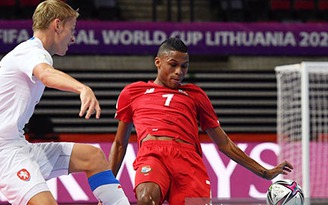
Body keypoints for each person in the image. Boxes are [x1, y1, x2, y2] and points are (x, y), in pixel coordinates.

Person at [108, 37, 294, 205]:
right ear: (158, 62)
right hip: (152, 154)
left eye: (184, 66)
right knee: (146, 199)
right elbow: (119, 144)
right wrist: (106, 189)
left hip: (188, 161)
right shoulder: (133, 92)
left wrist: (264, 172)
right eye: (173, 65)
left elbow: (225, 144)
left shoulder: (195, 95)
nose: (179, 72)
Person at [0, 1, 129, 205]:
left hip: (18, 145)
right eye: (72, 29)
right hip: (4, 152)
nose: (73, 37)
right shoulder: (31, 51)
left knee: (93, 157)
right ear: (57, 25)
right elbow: (46, 74)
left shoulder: (33, 52)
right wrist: (82, 88)